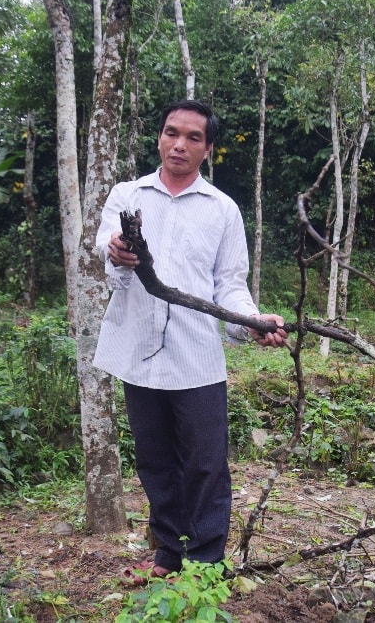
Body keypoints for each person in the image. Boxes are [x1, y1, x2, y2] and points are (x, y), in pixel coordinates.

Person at [92, 99, 287, 584]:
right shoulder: (127, 196)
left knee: (204, 464)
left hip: (196, 357)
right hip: (138, 354)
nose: (179, 144)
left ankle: (203, 565)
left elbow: (230, 285)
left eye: (193, 137)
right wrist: (117, 253)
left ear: (208, 149)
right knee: (156, 461)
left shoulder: (222, 210)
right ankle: (167, 555)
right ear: (159, 137)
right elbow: (106, 252)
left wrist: (253, 322)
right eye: (171, 133)